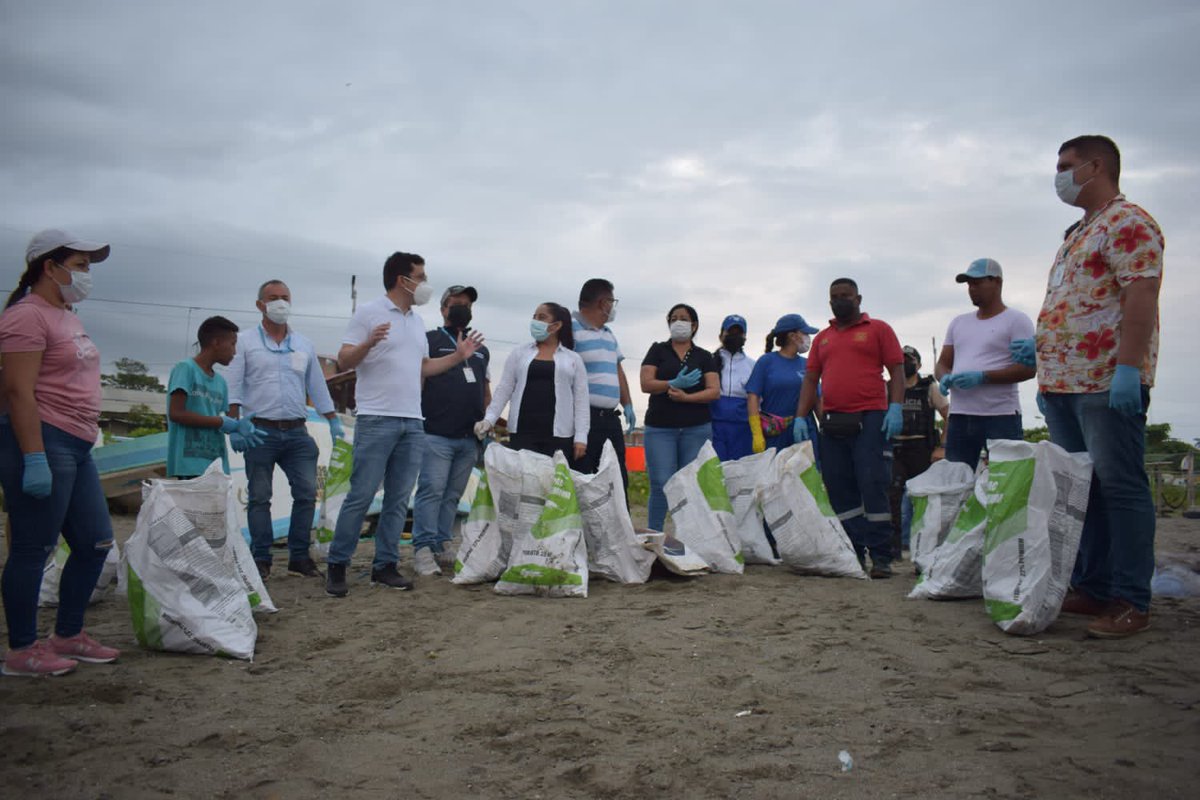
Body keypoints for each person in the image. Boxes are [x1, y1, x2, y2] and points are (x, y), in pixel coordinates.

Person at [1012, 135, 1163, 638]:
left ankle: (1129, 600)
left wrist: (1127, 368)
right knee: (1085, 490)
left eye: (1065, 166)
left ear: (1096, 167)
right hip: (1063, 384)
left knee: (1120, 487)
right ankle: (1093, 586)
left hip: (1104, 380)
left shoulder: (1127, 222)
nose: (1057, 175)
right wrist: (1044, 359)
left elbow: (1140, 294)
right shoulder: (1078, 232)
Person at [325, 252, 483, 598]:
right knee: (362, 495)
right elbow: (343, 359)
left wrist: (458, 357)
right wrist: (369, 342)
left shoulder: (414, 322)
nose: (425, 283)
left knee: (398, 499)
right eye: (421, 276)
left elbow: (422, 368)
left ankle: (385, 565)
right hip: (377, 418)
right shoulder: (370, 312)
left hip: (413, 421)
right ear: (403, 280)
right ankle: (338, 563)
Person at [0, 229, 120, 676]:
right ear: (50, 267)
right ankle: (22, 649)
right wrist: (33, 456)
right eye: (81, 264)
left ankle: (68, 634)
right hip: (44, 439)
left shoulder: (66, 315)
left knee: (96, 542)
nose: (86, 275)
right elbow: (16, 390)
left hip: (77, 443)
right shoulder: (27, 317)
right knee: (34, 547)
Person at [224, 280, 341, 581]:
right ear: (260, 304)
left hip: (297, 431)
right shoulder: (245, 342)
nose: (280, 303)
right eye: (273, 298)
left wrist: (332, 419)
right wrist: (235, 424)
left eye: (285, 297)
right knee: (260, 496)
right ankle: (261, 557)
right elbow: (234, 383)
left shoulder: (303, 344)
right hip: (259, 431)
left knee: (305, 493)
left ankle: (299, 557)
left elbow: (316, 383)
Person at [795, 278, 904, 578]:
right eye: (834, 296)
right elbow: (810, 379)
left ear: (858, 298)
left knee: (873, 483)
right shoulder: (823, 338)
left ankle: (882, 556)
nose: (840, 300)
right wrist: (799, 417)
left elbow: (896, 369)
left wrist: (895, 406)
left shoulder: (879, 329)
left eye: (846, 295)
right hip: (832, 421)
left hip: (871, 417)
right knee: (840, 487)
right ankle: (853, 551)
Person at [410, 285, 490, 577]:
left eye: (467, 304)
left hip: (468, 437)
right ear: (443, 309)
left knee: (453, 495)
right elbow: (418, 376)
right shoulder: (428, 340)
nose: (462, 308)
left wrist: (487, 420)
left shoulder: (481, 348)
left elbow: (485, 389)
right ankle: (421, 548)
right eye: (457, 303)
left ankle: (442, 543)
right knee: (431, 490)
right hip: (435, 433)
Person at [934, 258, 1036, 471]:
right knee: (956, 480)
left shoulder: (1017, 320)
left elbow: (1028, 369)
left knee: (1005, 481)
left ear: (997, 282)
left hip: (1000, 415)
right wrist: (944, 378)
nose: (972, 289)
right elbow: (942, 363)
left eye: (978, 283)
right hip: (960, 416)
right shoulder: (959, 322)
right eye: (969, 284)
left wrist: (983, 377)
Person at [639, 304, 720, 532]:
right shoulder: (658, 350)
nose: (679, 322)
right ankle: (654, 535)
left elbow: (714, 391)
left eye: (684, 318)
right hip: (660, 428)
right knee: (660, 482)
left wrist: (686, 397)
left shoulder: (704, 356)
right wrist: (671, 383)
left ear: (694, 325)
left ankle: (690, 537)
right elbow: (646, 383)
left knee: (691, 484)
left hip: (696, 428)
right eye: (674, 318)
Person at [476, 303, 588, 461]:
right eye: (534, 317)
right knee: (523, 482)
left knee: (552, 483)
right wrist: (489, 419)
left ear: (556, 326)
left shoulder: (573, 359)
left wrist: (581, 437)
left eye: (541, 317)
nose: (535, 321)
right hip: (523, 431)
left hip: (559, 434)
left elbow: (581, 400)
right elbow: (505, 388)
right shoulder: (520, 353)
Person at [167, 316, 264, 480]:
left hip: (217, 466)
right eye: (232, 344)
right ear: (216, 342)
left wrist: (236, 427)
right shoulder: (186, 369)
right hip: (189, 465)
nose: (234, 352)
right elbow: (176, 413)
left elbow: (219, 418)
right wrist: (222, 422)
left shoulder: (220, 382)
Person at [572, 279, 634, 489]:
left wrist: (628, 404)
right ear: (603, 302)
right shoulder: (571, 331)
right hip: (584, 418)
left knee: (617, 477)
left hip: (610, 418)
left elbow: (618, 370)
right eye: (612, 301)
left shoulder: (609, 334)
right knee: (584, 476)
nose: (612, 307)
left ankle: (620, 521)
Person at [890, 345, 949, 556]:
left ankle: (923, 548)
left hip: (921, 448)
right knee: (893, 498)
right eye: (901, 359)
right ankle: (895, 548)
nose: (905, 363)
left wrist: (941, 447)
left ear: (919, 364)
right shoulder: (890, 388)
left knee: (922, 500)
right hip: (895, 448)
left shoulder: (929, 388)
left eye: (909, 359)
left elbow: (948, 416)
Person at [746, 313, 820, 455]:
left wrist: (824, 429)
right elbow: (752, 397)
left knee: (807, 476)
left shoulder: (807, 364)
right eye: (804, 333)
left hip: (804, 429)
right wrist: (756, 433)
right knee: (776, 475)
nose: (807, 337)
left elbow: (817, 399)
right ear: (792, 336)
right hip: (776, 431)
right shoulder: (766, 362)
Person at [710, 314, 756, 461]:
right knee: (715, 474)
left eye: (739, 333)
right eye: (730, 332)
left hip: (743, 429)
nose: (734, 336)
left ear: (745, 337)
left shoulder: (752, 365)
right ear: (721, 335)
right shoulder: (709, 361)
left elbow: (758, 399)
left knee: (740, 472)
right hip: (714, 427)